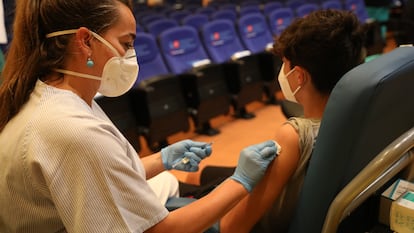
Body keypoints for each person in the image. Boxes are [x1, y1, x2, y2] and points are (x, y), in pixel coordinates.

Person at [0, 1, 279, 232]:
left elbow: (102, 178)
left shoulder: (58, 98)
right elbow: (158, 231)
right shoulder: (70, 128)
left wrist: (162, 159)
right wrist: (241, 181)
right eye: (125, 43)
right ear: (86, 41)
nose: (130, 55)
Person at [219, 9, 366, 233]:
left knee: (192, 179)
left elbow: (231, 227)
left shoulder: (294, 134)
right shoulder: (361, 113)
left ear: (299, 76)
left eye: (284, 64)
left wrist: (241, 180)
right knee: (209, 173)